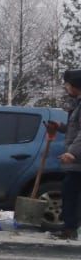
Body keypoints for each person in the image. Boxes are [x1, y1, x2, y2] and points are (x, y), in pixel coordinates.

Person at [47, 69, 81, 240]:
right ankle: (70, 229)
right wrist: (60, 126)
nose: (66, 87)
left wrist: (72, 153)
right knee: (71, 192)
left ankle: (70, 229)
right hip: (77, 160)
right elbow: (74, 130)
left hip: (78, 159)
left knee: (70, 192)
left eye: (68, 84)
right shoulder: (77, 104)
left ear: (76, 85)